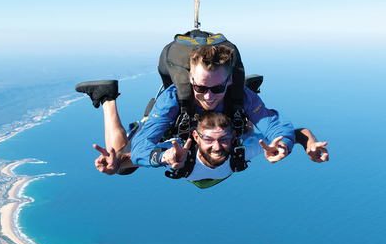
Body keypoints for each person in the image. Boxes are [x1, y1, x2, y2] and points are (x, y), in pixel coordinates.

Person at [74, 80, 328, 188]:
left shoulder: (179, 155)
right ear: (195, 138)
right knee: (125, 167)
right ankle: (106, 97)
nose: (217, 147)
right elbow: (130, 157)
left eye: (223, 139)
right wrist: (117, 162)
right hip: (171, 121)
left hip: (227, 127)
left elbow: (294, 134)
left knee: (123, 166)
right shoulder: (180, 148)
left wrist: (309, 143)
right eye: (210, 139)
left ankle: (241, 96)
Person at [129, 44, 297, 168]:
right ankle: (107, 98)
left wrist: (282, 145)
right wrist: (163, 156)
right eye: (200, 88)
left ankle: (245, 108)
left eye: (217, 88)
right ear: (191, 80)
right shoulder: (171, 99)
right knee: (124, 168)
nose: (208, 97)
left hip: (228, 119)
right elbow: (140, 147)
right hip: (177, 127)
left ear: (229, 81)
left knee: (245, 125)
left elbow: (275, 126)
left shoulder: (242, 95)